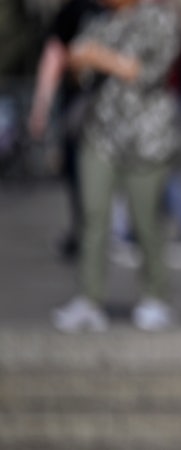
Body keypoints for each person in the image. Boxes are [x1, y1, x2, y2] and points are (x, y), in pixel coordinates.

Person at [51, 0, 181, 332]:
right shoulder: (96, 21)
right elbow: (77, 70)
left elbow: (150, 72)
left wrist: (99, 58)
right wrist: (78, 64)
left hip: (147, 138)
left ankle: (155, 297)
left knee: (145, 220)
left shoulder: (160, 20)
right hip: (99, 134)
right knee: (92, 215)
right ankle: (89, 299)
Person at [28, 0, 105, 261]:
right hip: (98, 110)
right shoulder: (109, 10)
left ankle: (89, 232)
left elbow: (52, 60)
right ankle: (98, 232)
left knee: (82, 174)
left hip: (85, 109)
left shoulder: (73, 10)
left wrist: (40, 109)